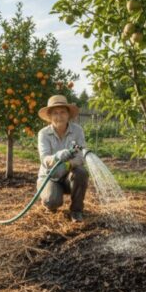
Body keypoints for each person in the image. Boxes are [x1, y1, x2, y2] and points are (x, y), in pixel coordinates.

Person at [36, 94, 89, 222]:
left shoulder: (77, 131)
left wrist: (68, 164)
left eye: (62, 112)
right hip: (50, 177)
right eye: (55, 113)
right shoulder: (44, 134)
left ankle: (76, 211)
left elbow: (81, 156)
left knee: (81, 173)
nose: (59, 116)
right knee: (52, 201)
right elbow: (44, 159)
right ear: (50, 116)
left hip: (68, 177)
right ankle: (50, 201)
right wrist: (57, 156)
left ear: (68, 114)